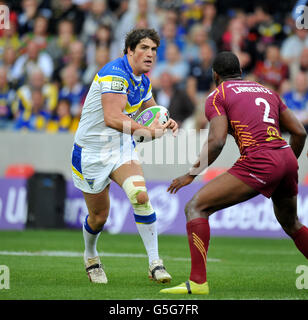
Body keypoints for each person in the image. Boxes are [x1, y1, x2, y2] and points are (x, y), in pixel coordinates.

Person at [160, 51, 308, 295]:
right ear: (239, 71)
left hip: (259, 160)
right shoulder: (266, 91)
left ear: (215, 75)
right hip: (286, 156)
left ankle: (197, 283)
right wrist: (289, 162)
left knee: (195, 207)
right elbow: (300, 132)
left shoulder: (218, 95)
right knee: (291, 223)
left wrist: (191, 174)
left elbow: (217, 141)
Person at [71, 28, 178, 284]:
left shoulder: (142, 81)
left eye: (153, 49)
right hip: (91, 153)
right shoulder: (114, 75)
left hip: (120, 149)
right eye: (143, 47)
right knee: (99, 217)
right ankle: (91, 256)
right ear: (129, 51)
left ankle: (155, 263)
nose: (150, 54)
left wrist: (164, 119)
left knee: (140, 196)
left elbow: (148, 107)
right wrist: (147, 131)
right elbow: (112, 117)